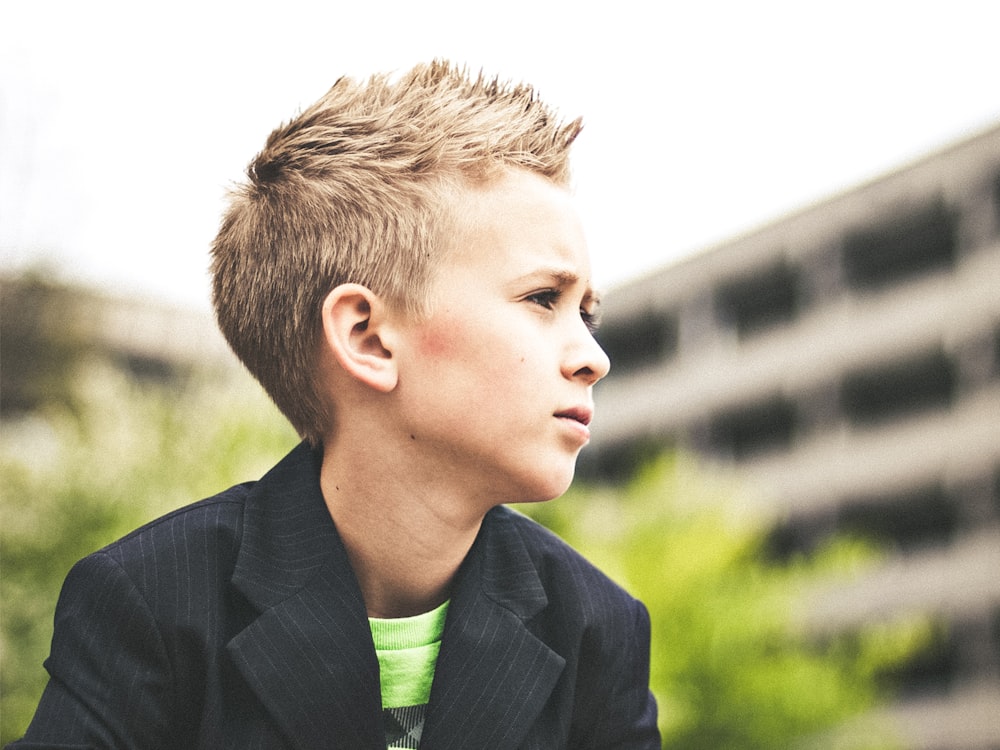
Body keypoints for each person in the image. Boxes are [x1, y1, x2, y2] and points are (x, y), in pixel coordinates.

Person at [10, 60, 660, 749]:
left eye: (586, 313)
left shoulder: (598, 629)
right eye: (541, 300)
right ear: (368, 337)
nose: (593, 356)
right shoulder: (152, 606)